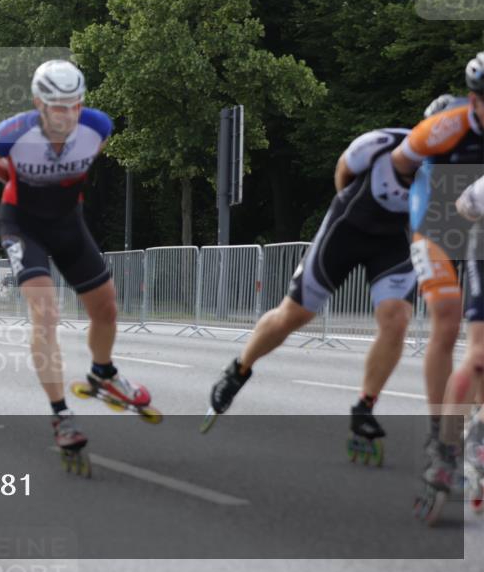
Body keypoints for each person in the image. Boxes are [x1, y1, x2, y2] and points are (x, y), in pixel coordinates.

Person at [202, 115, 419, 448]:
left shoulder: (454, 169)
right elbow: (343, 175)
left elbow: (444, 226)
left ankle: (364, 408)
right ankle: (238, 369)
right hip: (347, 229)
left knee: (396, 320)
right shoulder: (380, 143)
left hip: (392, 242)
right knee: (296, 315)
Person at [0, 59, 152, 457]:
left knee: (106, 308)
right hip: (22, 223)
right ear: (39, 103)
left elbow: (84, 161)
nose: (67, 114)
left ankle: (103, 373)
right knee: (47, 313)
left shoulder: (98, 126)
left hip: (68, 222)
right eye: (57, 106)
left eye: (74, 104)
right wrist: (18, 181)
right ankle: (61, 415)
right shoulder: (14, 132)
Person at [391, 51, 484, 468]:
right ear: (473, 98)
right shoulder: (448, 125)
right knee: (446, 318)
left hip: (477, 226)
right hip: (435, 225)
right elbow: (401, 165)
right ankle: (438, 435)